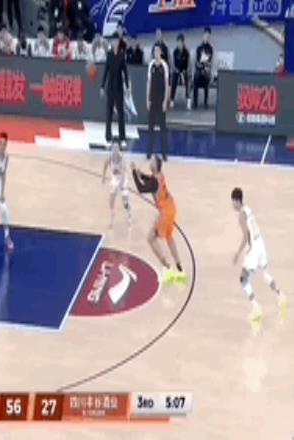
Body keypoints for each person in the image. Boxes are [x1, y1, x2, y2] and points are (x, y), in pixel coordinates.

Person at [231, 188, 287, 323]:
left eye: (233, 201)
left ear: (237, 201)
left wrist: (238, 253)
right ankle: (281, 296)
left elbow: (246, 237)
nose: (232, 205)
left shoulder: (241, 216)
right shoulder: (248, 209)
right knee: (266, 274)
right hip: (261, 244)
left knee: (243, 279)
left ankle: (256, 308)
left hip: (254, 249)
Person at [131, 156, 186, 285]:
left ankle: (168, 270)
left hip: (165, 213)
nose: (150, 162)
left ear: (155, 166)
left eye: (152, 161)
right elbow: (149, 180)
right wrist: (140, 174)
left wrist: (134, 172)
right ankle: (179, 269)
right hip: (172, 208)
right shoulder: (159, 176)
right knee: (169, 238)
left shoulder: (154, 181)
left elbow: (141, 188)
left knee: (151, 238)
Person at [100, 31, 131, 142]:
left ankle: (122, 137)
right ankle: (108, 136)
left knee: (121, 113)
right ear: (112, 42)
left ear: (119, 42)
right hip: (110, 87)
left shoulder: (122, 55)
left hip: (119, 87)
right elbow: (106, 71)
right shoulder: (109, 54)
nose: (115, 42)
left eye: (117, 40)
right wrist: (102, 86)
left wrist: (127, 86)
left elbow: (125, 71)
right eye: (114, 41)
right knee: (109, 113)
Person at [146, 44, 169, 160]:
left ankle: (164, 153)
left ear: (161, 53)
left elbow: (167, 84)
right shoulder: (151, 65)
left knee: (162, 127)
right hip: (153, 99)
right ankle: (149, 152)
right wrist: (147, 99)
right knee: (151, 127)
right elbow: (148, 83)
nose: (156, 53)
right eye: (154, 51)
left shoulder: (164, 65)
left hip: (161, 100)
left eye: (158, 51)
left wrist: (165, 101)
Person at [102, 140, 132, 228]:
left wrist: (118, 188)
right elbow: (105, 165)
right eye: (113, 148)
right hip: (115, 178)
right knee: (111, 199)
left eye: (116, 148)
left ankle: (129, 215)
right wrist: (103, 176)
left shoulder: (122, 159)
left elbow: (123, 176)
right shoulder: (110, 157)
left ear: (119, 149)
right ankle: (112, 220)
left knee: (125, 202)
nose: (115, 150)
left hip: (123, 180)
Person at [193, 27, 213, 109]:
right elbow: (196, 62)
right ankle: (195, 102)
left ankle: (205, 102)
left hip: (206, 70)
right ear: (203, 36)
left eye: (208, 37)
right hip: (199, 69)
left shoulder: (210, 49)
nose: (207, 38)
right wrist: (201, 67)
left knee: (206, 77)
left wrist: (206, 67)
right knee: (196, 77)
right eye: (206, 36)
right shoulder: (199, 48)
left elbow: (209, 62)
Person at [170, 33, 190, 110]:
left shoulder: (186, 52)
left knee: (187, 78)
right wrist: (179, 73)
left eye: (181, 42)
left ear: (183, 43)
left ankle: (188, 99)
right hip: (177, 71)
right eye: (178, 42)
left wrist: (183, 73)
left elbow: (187, 65)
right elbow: (174, 65)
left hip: (184, 71)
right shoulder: (175, 52)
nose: (180, 44)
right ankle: (172, 99)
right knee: (174, 77)